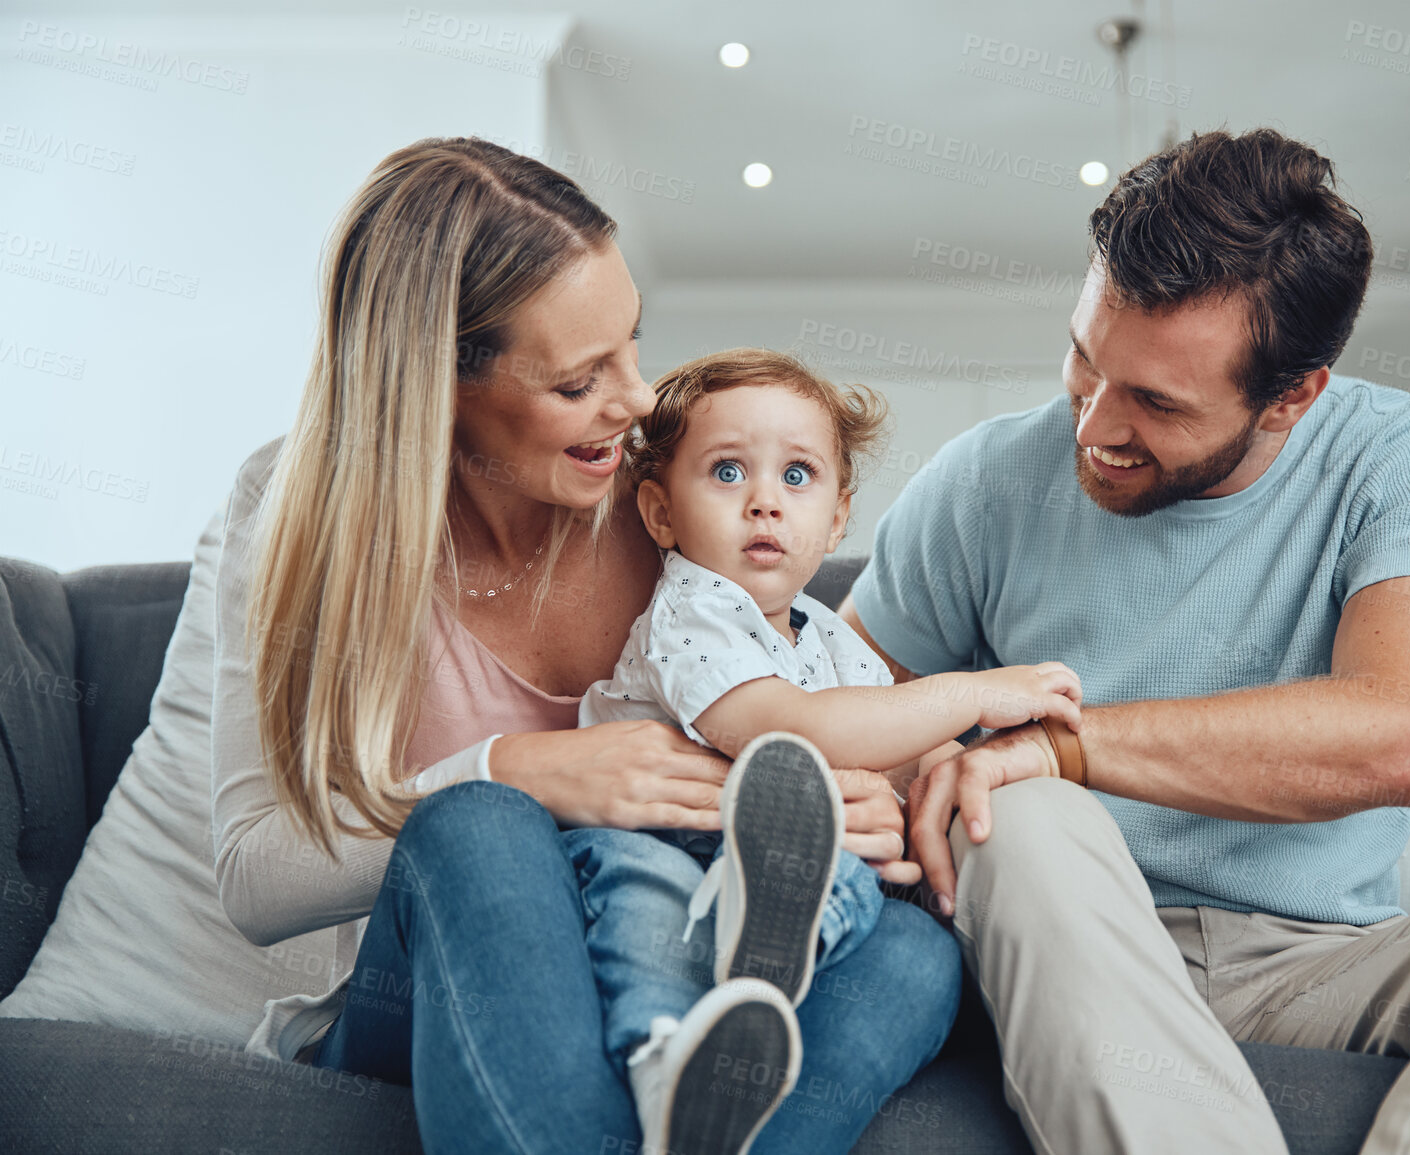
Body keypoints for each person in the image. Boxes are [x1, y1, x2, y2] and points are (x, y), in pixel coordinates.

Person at [840, 128, 1410, 1155]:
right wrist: (931, 771)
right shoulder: (983, 478)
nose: (1093, 425)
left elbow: (1399, 737)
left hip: (1315, 962)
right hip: (1053, 949)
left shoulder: (1400, 458)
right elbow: (833, 706)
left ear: (1292, 396)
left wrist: (1055, 745)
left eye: (1154, 402)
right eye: (1085, 361)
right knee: (1026, 814)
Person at [210, 136, 961, 1155]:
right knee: (480, 827)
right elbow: (256, 874)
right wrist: (521, 772)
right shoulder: (299, 510)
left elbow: (812, 698)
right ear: (439, 387)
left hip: (683, 948)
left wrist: (850, 797)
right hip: (440, 993)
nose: (641, 401)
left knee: (915, 953)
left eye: (634, 345)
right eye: (578, 383)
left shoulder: (679, 501)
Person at [569, 349, 1081, 1150]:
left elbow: (900, 750)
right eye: (728, 472)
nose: (765, 502)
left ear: (839, 519)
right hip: (649, 840)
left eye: (797, 477)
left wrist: (978, 764)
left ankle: (769, 948)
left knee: (864, 868)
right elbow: (793, 727)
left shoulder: (829, 637)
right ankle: (663, 1054)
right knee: (641, 908)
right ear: (662, 514)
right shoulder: (692, 607)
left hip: (757, 863)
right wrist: (973, 693)